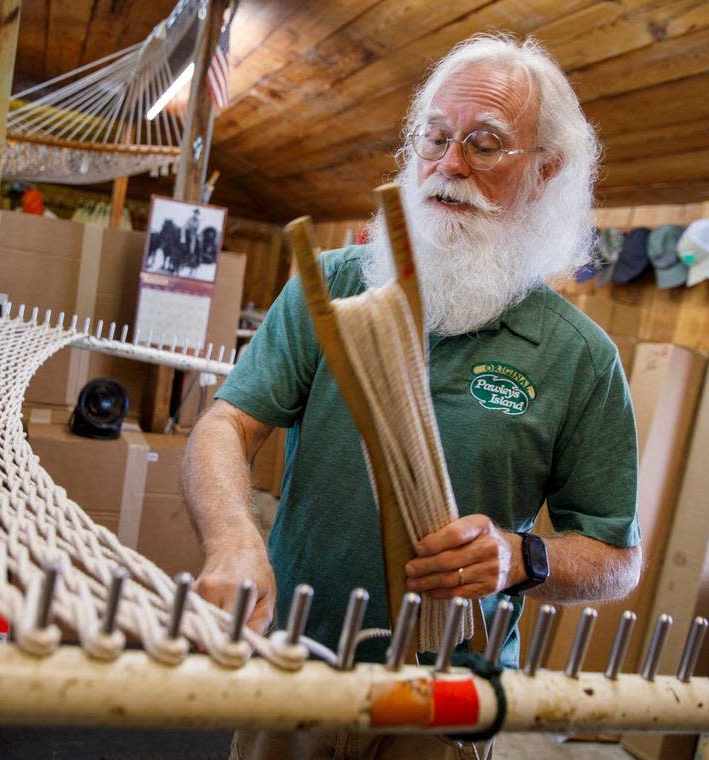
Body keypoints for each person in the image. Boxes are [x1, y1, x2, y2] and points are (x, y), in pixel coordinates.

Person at [181, 34, 642, 759]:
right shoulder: (332, 285)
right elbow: (225, 427)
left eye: (485, 145)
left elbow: (616, 558)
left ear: (545, 173)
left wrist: (520, 559)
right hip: (298, 667)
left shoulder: (580, 358)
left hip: (444, 694)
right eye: (435, 138)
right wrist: (235, 537)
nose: (449, 165)